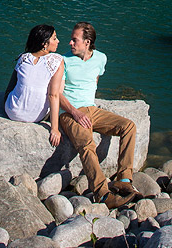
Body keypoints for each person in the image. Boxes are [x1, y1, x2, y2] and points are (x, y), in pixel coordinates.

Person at [58, 22, 138, 203]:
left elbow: (94, 80)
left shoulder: (101, 58)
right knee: (87, 144)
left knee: (128, 127)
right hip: (70, 112)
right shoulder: (63, 60)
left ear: (87, 42)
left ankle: (124, 180)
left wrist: (88, 109)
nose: (70, 43)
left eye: (74, 40)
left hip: (92, 109)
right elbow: (57, 94)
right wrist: (75, 113)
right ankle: (102, 193)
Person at [4, 24, 65, 146]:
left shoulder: (23, 57)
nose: (58, 41)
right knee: (59, 83)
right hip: (36, 116)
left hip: (12, 112)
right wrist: (54, 129)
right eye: (54, 38)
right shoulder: (57, 60)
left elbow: (10, 87)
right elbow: (53, 95)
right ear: (44, 43)